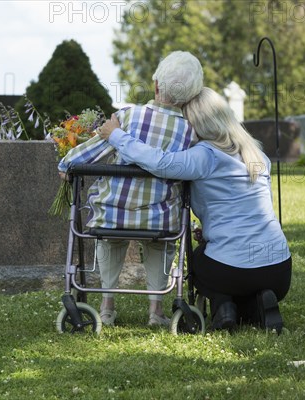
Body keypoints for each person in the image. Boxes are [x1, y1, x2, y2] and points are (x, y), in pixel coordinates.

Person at [98, 87, 292, 332]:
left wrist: (116, 135)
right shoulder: (257, 154)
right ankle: (259, 304)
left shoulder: (205, 154)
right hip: (280, 269)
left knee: (199, 259)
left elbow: (160, 162)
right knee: (239, 277)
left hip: (231, 269)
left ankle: (224, 306)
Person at [58, 51, 203, 327]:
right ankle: (156, 310)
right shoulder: (190, 132)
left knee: (111, 236)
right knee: (160, 242)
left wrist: (66, 165)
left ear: (157, 85)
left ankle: (106, 306)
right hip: (159, 219)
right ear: (192, 96)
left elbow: (91, 152)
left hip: (112, 216)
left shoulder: (127, 117)